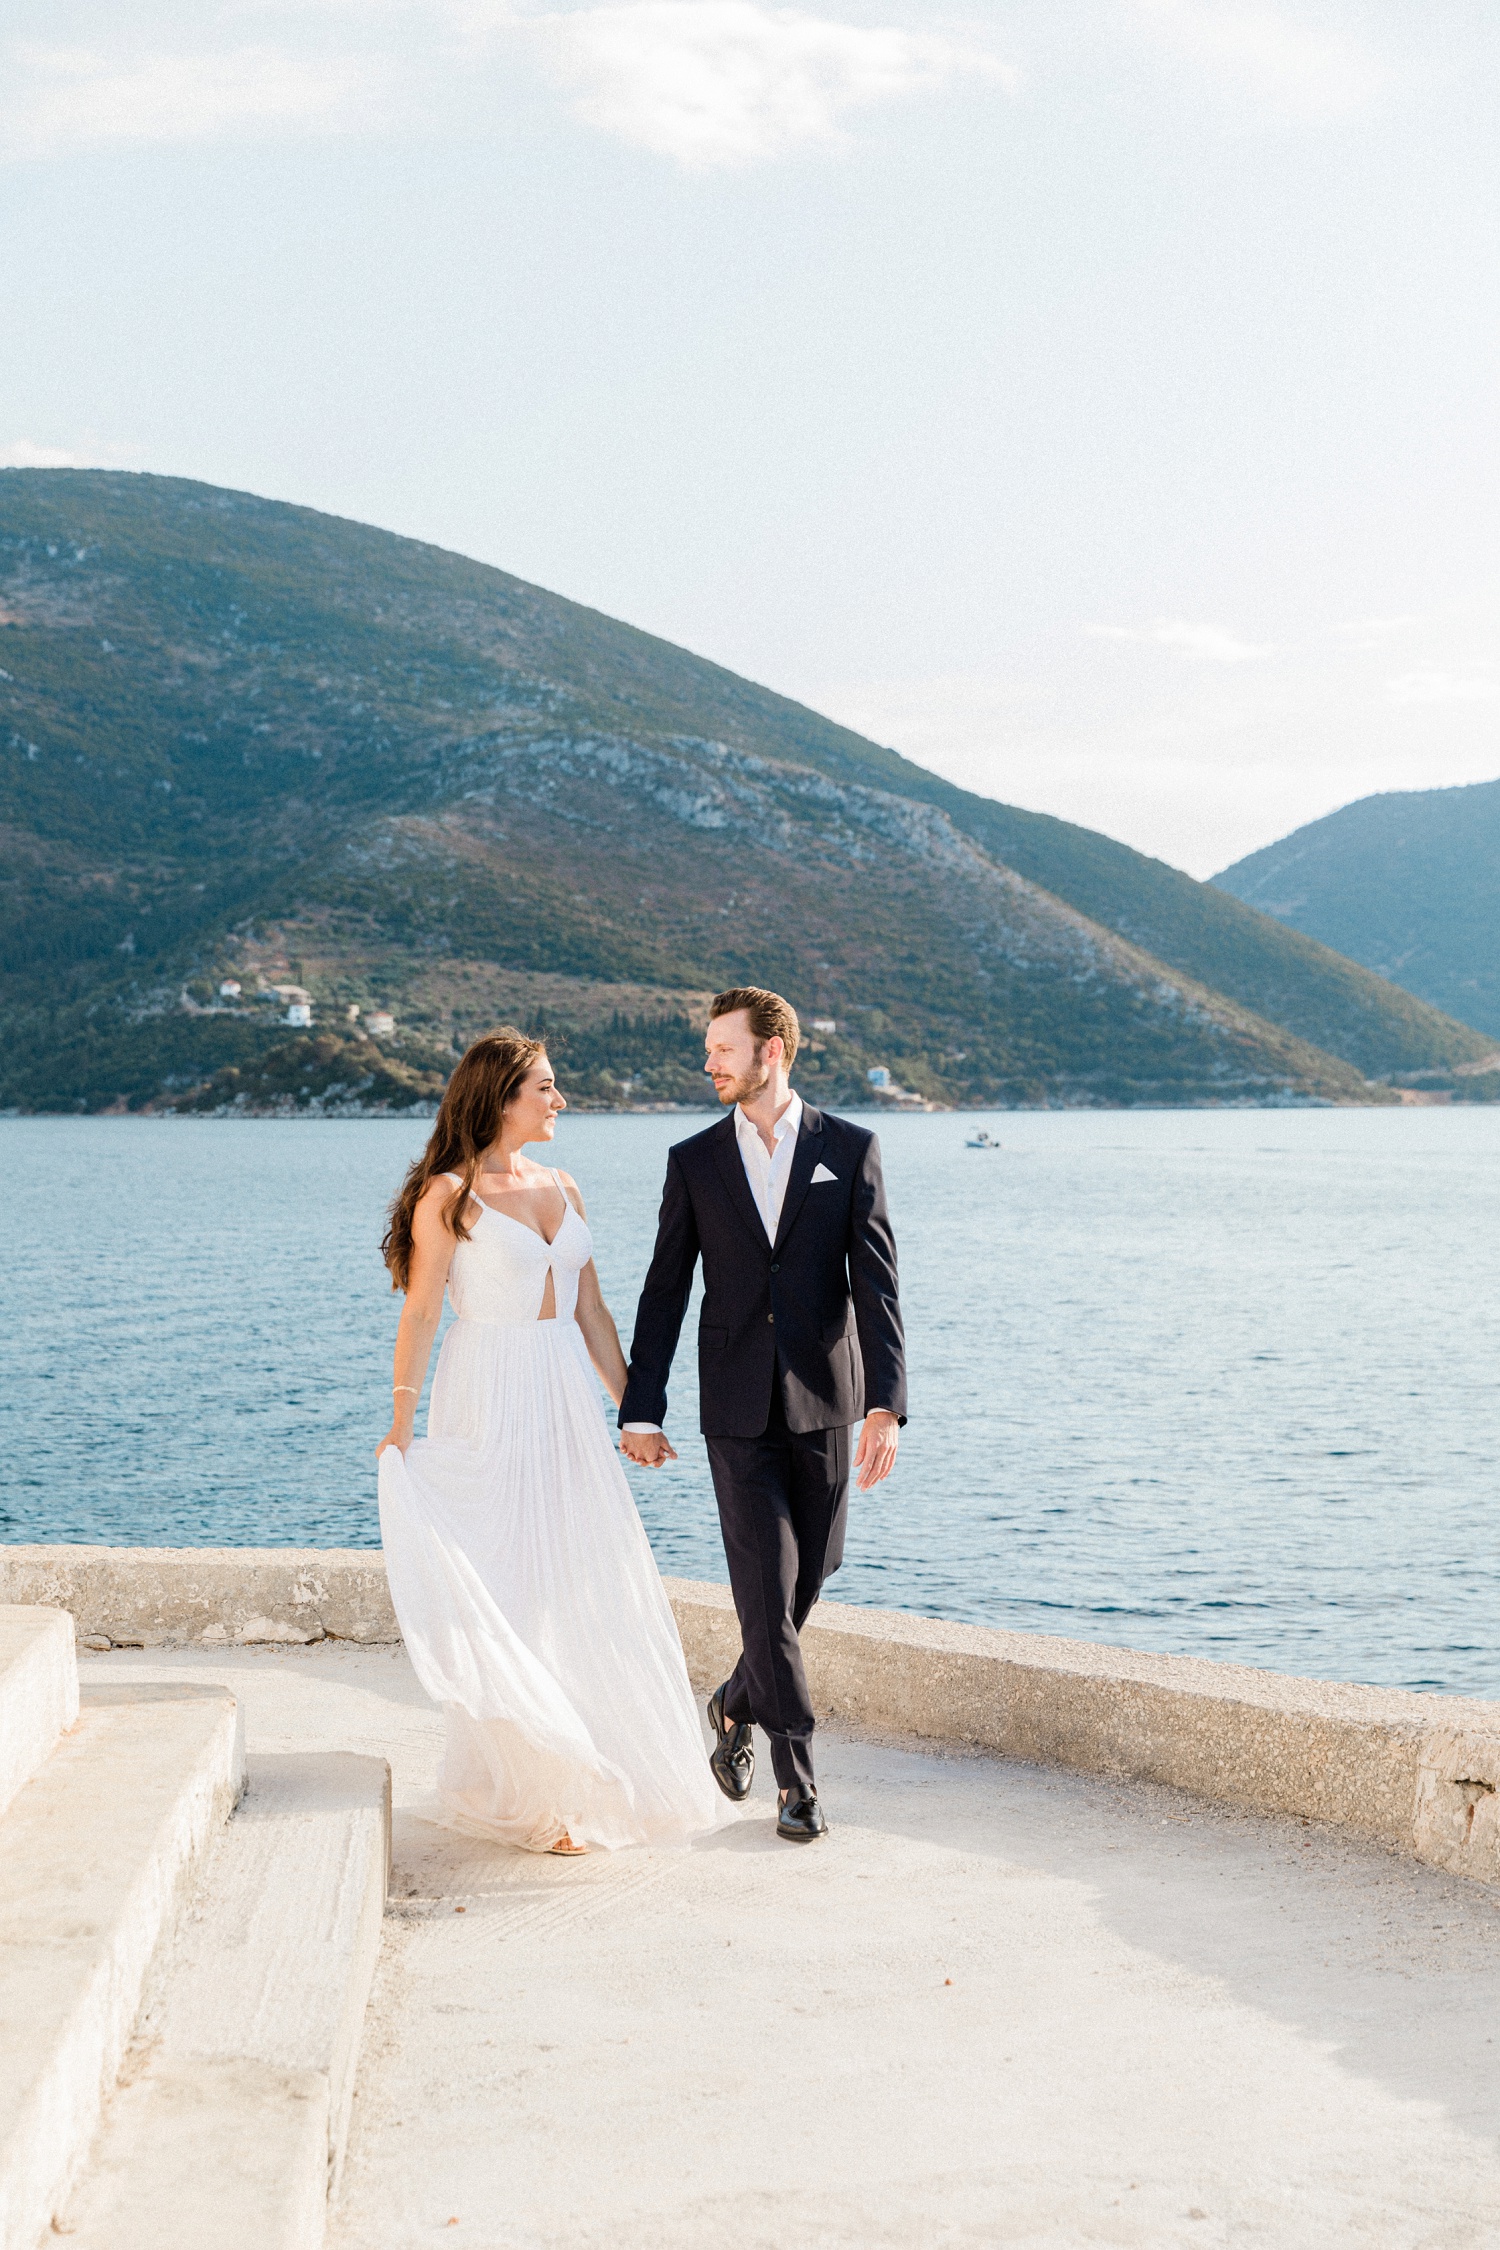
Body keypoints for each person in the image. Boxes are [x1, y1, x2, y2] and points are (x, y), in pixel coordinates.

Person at [375, 1029, 732, 1855]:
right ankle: (543, 1791)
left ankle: (588, 1774)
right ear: (502, 1097)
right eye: (545, 1088)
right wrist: (401, 1417)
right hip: (488, 1388)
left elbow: (593, 1312)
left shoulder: (564, 1184)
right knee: (512, 1576)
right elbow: (423, 1310)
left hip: (563, 1392)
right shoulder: (449, 1194)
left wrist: (634, 1411)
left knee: (579, 1573)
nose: (559, 1100)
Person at [620, 987, 907, 1843]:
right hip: (735, 1409)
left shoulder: (849, 1149)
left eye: (722, 1049)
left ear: (769, 1053)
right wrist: (642, 1406)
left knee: (808, 1579)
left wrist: (886, 1403)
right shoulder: (695, 1160)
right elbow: (665, 1289)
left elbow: (878, 1286)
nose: (709, 1063)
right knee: (761, 1591)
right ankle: (798, 1779)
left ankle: (735, 1700)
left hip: (827, 1401)